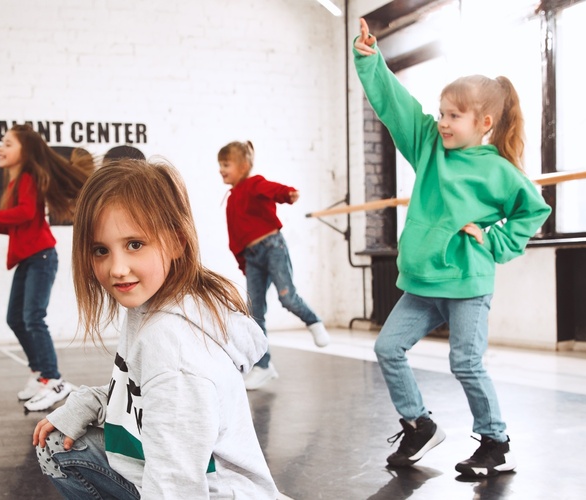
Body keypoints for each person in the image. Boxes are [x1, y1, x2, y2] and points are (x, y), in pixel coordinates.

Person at [353, 18, 551, 477]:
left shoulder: (499, 171)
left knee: (465, 362)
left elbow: (533, 209)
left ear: (484, 123)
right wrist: (371, 59)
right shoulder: (428, 145)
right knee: (388, 347)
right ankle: (419, 425)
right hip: (423, 283)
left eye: (454, 116)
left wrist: (495, 240)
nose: (442, 122)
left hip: (467, 283)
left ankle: (495, 442)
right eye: (441, 113)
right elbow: (395, 104)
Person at [32, 159, 278, 498]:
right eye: (101, 250)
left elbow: (176, 484)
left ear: (176, 242)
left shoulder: (173, 351)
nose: (117, 269)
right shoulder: (153, 303)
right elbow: (140, 394)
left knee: (59, 448)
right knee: (57, 441)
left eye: (134, 244)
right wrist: (89, 402)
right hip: (172, 480)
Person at [0, 124, 90, 412]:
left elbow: (25, 213)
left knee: (33, 317)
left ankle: (53, 379)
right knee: (16, 318)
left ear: (26, 150)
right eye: (2, 143)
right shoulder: (16, 182)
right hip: (30, 258)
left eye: (8, 143)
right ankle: (39, 372)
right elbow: (14, 224)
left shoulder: (28, 177)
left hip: (41, 257)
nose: (1, 148)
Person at [217, 140, 331, 390]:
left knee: (287, 297)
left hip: (272, 248)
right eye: (220, 165)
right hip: (252, 258)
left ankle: (313, 321)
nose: (221, 170)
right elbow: (235, 237)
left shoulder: (253, 184)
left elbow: (273, 190)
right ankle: (263, 366)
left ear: (243, 166)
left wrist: (288, 194)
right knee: (254, 311)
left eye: (226, 165)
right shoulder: (232, 200)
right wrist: (244, 264)